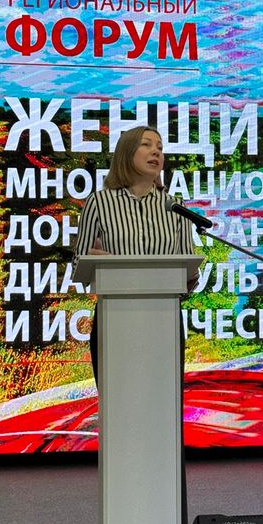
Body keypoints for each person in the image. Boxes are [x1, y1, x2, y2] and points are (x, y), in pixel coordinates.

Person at [74, 124, 197, 384]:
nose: (156, 152)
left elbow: (187, 267)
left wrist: (190, 278)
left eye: (160, 148)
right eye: (147, 145)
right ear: (126, 153)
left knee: (164, 396)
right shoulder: (99, 202)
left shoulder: (175, 207)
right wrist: (96, 262)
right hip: (114, 319)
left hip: (164, 320)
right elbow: (79, 264)